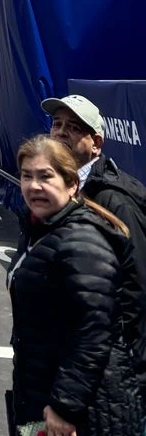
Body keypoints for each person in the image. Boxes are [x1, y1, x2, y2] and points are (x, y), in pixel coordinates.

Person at [7, 134, 142, 436]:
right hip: (41, 396)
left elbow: (94, 333)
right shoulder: (41, 230)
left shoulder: (82, 241)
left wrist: (65, 406)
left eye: (45, 176)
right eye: (27, 176)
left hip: (84, 410)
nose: (34, 186)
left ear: (72, 185)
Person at [45, 94, 146, 375]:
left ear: (96, 144)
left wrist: (128, 372)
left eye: (73, 127)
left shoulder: (115, 202)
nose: (60, 132)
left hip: (101, 366)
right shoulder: (57, 192)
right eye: (56, 124)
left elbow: (136, 290)